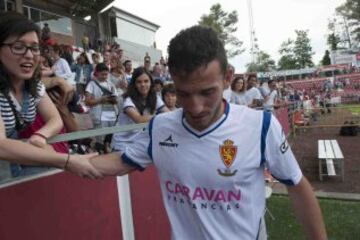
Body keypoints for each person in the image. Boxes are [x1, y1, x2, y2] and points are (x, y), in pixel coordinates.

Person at [84, 26, 327, 239]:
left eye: (207, 92)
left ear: (228, 77)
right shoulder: (160, 127)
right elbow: (121, 161)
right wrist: (60, 158)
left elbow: (296, 185)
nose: (195, 107)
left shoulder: (261, 126)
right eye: (184, 94)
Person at [0, 12, 101, 179]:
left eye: (34, 48)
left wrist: (40, 135)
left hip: (15, 170)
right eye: (18, 47)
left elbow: (55, 120)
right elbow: (1, 145)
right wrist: (66, 160)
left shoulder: (33, 86)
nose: (30, 55)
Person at [111, 67, 168, 152]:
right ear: (134, 84)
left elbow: (167, 112)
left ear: (151, 82)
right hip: (122, 144)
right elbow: (139, 119)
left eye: (146, 81)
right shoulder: (128, 99)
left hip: (140, 143)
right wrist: (161, 116)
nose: (143, 85)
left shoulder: (155, 97)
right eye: (139, 82)